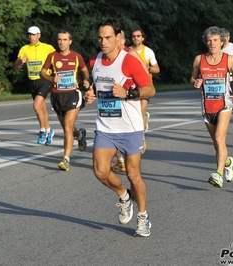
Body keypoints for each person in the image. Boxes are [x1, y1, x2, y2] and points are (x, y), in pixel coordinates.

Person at [85, 19, 156, 237]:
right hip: (106, 126)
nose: (103, 42)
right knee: (100, 171)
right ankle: (124, 196)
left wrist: (128, 94)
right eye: (100, 37)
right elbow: (98, 85)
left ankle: (143, 218)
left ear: (118, 38)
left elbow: (150, 89)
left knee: (134, 174)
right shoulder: (94, 60)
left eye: (107, 37)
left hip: (130, 128)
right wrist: (91, 93)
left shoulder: (130, 61)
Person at [190, 26, 233, 188]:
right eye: (209, 40)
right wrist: (196, 83)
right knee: (217, 143)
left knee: (220, 139)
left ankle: (218, 174)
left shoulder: (229, 59)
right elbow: (192, 79)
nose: (212, 43)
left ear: (221, 42)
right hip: (207, 106)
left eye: (215, 40)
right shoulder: (199, 59)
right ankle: (228, 162)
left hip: (224, 104)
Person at [40, 29, 90, 171]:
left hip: (73, 94)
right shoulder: (52, 56)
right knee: (67, 128)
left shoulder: (76, 57)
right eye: (59, 40)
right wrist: (51, 78)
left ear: (70, 41)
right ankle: (80, 135)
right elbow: (42, 72)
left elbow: (85, 70)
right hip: (57, 96)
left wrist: (86, 79)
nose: (61, 42)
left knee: (68, 126)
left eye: (64, 40)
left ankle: (66, 159)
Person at [112, 30, 149, 173]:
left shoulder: (130, 53)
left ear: (122, 41)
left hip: (135, 92)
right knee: (115, 121)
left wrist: (136, 86)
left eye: (118, 40)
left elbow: (144, 69)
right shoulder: (110, 56)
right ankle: (120, 160)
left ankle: (141, 138)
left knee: (139, 114)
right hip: (117, 97)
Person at [14, 26, 56, 145]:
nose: (31, 37)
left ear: (39, 35)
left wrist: (54, 77)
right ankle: (49, 130)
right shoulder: (24, 49)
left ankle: (42, 131)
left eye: (33, 34)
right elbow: (16, 66)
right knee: (41, 108)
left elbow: (57, 61)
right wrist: (20, 62)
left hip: (44, 79)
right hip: (32, 81)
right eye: (29, 35)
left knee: (36, 106)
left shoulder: (48, 48)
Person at [131, 28, 160, 147]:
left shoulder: (148, 51)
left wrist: (145, 67)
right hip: (132, 87)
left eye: (138, 36)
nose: (136, 38)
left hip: (145, 86)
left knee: (140, 112)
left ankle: (141, 139)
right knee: (135, 113)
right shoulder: (128, 51)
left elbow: (157, 69)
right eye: (133, 36)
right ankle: (144, 119)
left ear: (143, 38)